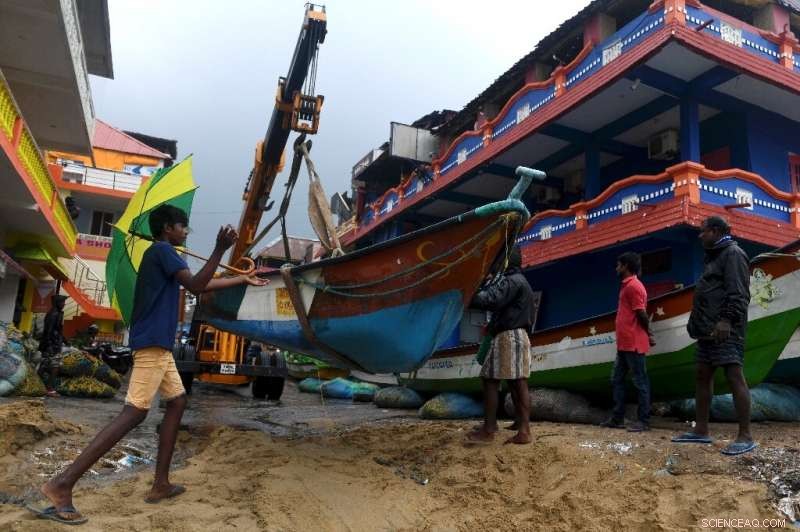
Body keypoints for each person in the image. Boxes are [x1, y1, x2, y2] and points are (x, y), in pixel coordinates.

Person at [34, 205, 268, 525]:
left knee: (178, 400)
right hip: (153, 344)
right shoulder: (162, 250)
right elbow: (197, 286)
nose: (186, 231)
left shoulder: (165, 255)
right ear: (167, 229)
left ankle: (160, 484)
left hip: (160, 345)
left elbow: (202, 284)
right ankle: (61, 484)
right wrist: (219, 248)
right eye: (181, 226)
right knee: (135, 412)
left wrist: (242, 280)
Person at [672, 216, 754, 455]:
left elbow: (739, 293)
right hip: (708, 330)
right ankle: (701, 430)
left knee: (734, 375)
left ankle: (745, 435)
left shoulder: (733, 254)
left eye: (703, 231)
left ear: (716, 231)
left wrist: (727, 320)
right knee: (702, 375)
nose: (700, 236)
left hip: (725, 329)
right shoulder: (716, 255)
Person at [466, 247, 535, 445]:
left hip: (508, 336)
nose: (495, 265)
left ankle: (492, 430)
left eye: (497, 261)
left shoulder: (511, 281)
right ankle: (520, 427)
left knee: (492, 380)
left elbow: (489, 300)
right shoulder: (521, 281)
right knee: (515, 382)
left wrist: (469, 290)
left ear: (505, 262)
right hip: (518, 335)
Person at [601, 252, 654, 432]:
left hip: (633, 342)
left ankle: (644, 421)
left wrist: (649, 333)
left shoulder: (634, 287)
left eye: (618, 265)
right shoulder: (627, 286)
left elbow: (641, 313)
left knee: (640, 381)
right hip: (624, 344)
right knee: (616, 379)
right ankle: (618, 418)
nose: (616, 268)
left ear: (625, 266)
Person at [38, 294, 67, 397]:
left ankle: (39, 386)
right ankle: (49, 389)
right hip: (51, 345)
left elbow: (58, 330)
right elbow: (48, 331)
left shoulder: (57, 313)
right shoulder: (53, 314)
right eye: (62, 302)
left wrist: (64, 340)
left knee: (44, 365)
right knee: (55, 366)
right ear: (57, 303)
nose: (64, 304)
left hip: (53, 344)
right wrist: (50, 346)